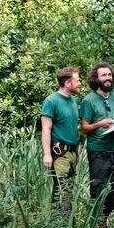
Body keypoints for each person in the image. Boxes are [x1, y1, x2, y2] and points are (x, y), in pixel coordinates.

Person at [80, 63, 114, 228]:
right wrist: (101, 124)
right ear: (96, 79)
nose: (108, 78)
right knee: (97, 190)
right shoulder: (88, 100)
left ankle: (103, 216)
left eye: (109, 75)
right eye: (103, 75)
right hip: (97, 150)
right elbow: (84, 128)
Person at [40, 67, 82, 211]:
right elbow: (46, 129)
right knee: (61, 189)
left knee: (68, 190)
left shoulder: (73, 101)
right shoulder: (51, 101)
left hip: (73, 152)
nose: (80, 84)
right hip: (59, 153)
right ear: (67, 83)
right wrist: (47, 154)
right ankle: (57, 225)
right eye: (77, 81)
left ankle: (66, 226)